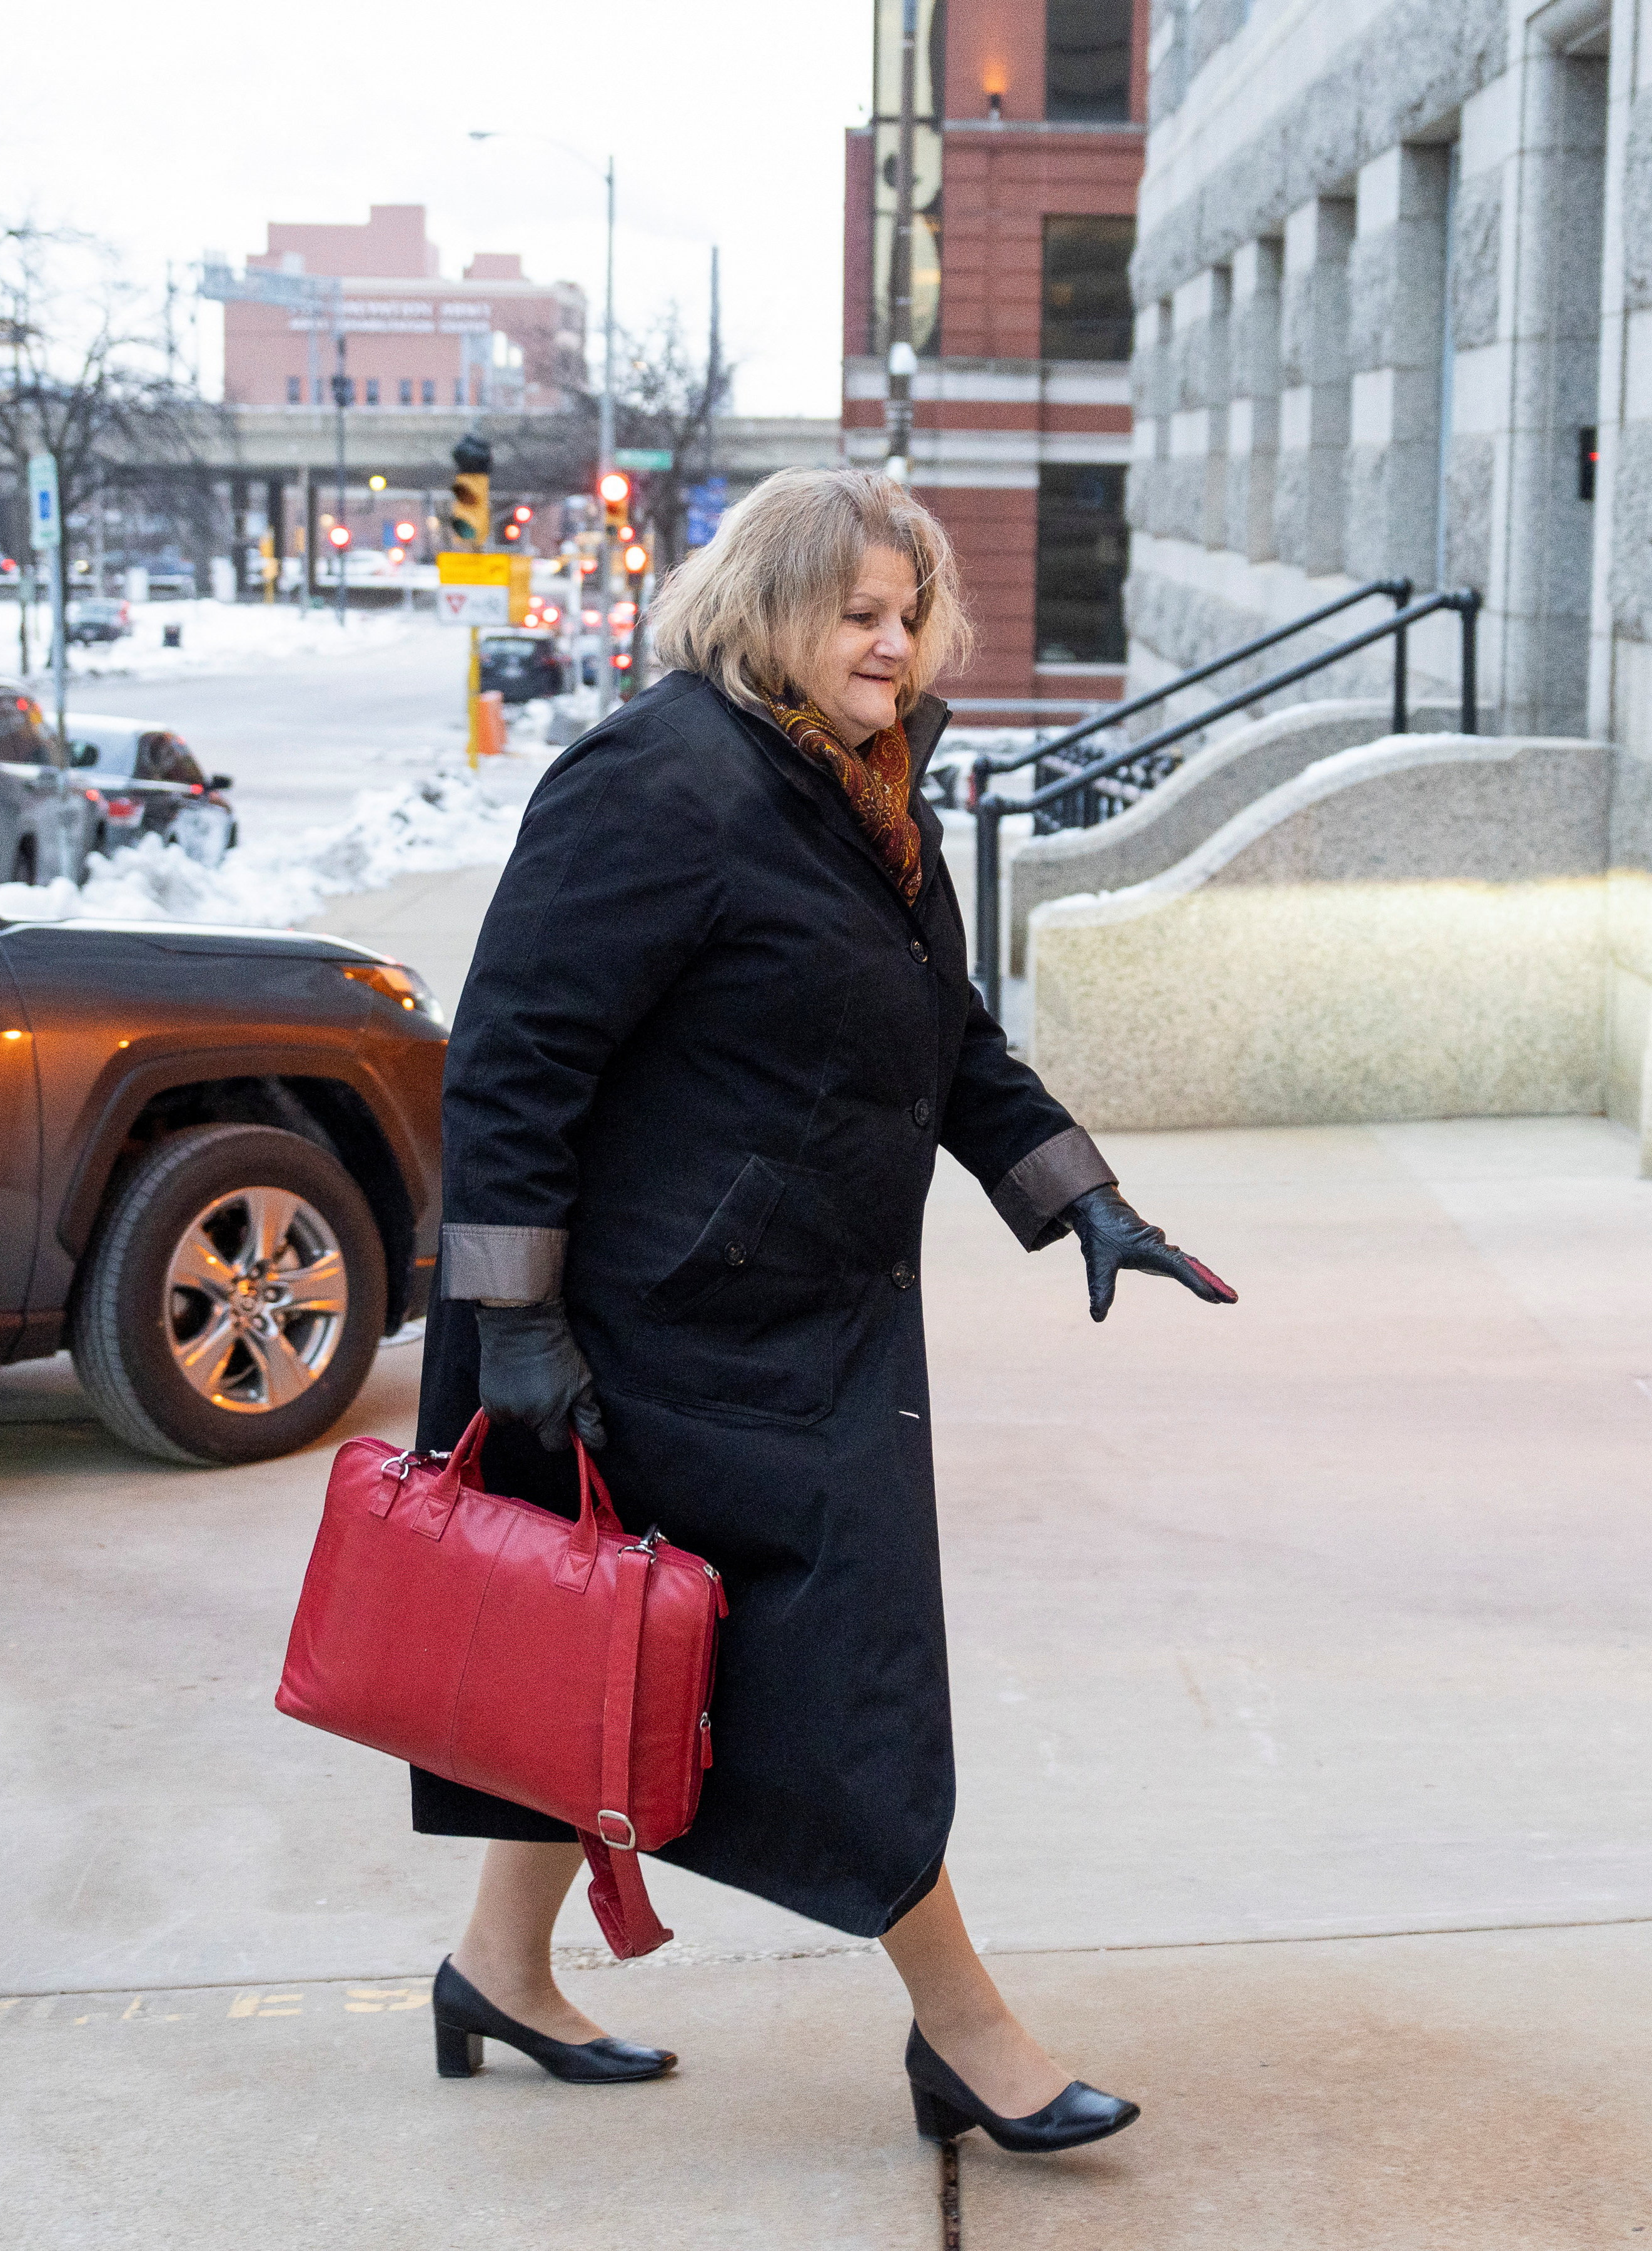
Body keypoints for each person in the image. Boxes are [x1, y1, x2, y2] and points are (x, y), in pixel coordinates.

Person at [412, 468, 1236, 2148]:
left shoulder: (862, 787)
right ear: (768, 614)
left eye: (910, 611)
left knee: (613, 1647)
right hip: (663, 1333)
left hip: (799, 1320)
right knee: (837, 1683)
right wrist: (514, 1322)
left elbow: (948, 1041)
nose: (895, 639)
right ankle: (967, 2033)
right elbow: (512, 1060)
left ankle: (495, 1967)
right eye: (859, 611)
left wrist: (1081, 1199)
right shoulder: (663, 781)